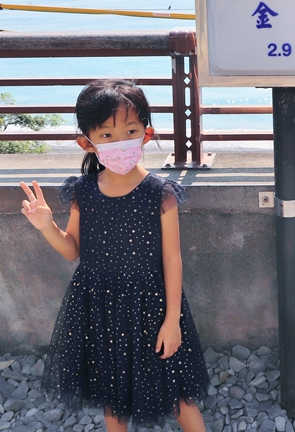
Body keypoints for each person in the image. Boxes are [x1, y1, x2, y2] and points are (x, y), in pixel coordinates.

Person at [20, 79, 208, 432]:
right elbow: (72, 250)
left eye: (130, 131)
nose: (120, 142)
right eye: (106, 135)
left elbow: (172, 259)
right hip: (98, 305)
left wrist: (171, 321)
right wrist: (46, 226)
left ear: (146, 134)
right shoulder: (84, 191)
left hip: (152, 303)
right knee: (112, 392)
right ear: (86, 143)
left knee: (177, 389)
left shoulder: (160, 192)